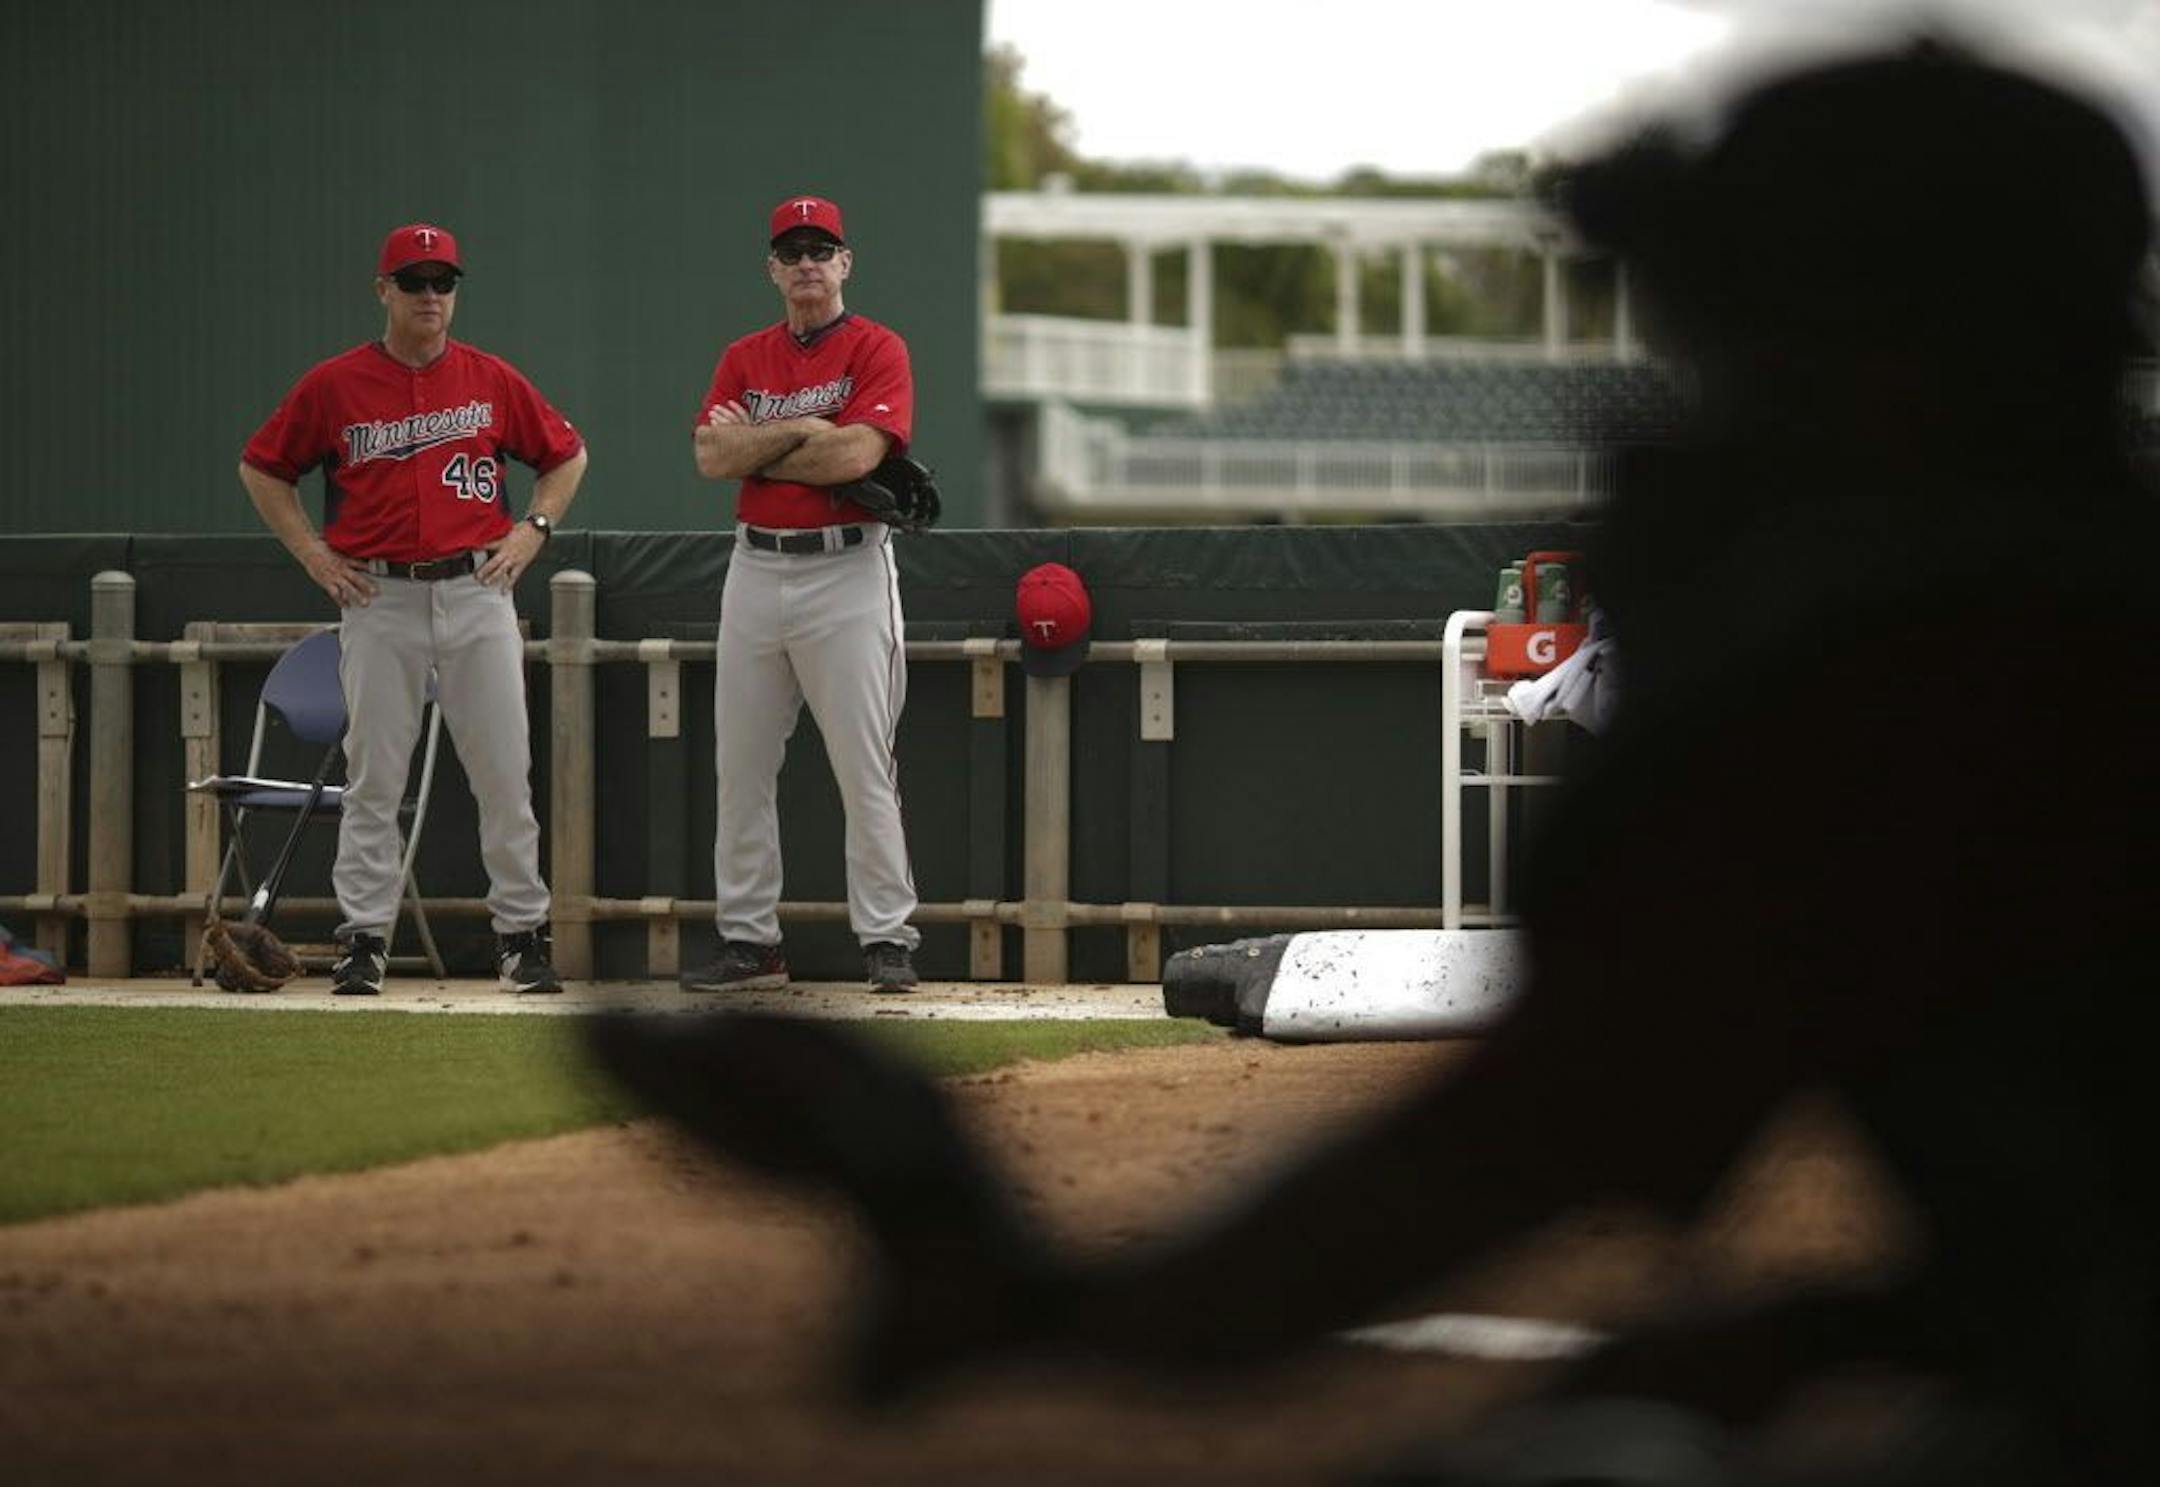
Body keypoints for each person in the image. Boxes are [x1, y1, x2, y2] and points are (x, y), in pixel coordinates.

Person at [595, 43, 2158, 1483]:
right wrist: (1824, 1334)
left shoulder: (1920, 671)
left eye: (1742, 342)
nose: (1689, 416)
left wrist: (1002, 1273)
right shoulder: (2028, 617)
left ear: (1913, 354)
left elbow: (1516, 1143)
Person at [240, 223, 588, 996]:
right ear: (383, 290)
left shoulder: (491, 377)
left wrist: (533, 529)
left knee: (504, 772)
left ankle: (521, 938)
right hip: (379, 592)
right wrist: (312, 553)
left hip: (476, 588)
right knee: (375, 774)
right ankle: (362, 939)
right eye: (415, 281)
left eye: (443, 282)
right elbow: (263, 467)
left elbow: (565, 454)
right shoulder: (335, 384)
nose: (431, 296)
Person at [679, 195, 923, 996]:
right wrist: (807, 436)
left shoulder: (878, 347)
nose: (809, 262)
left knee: (864, 762)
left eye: (823, 248)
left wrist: (762, 445)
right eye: (793, 251)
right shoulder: (745, 355)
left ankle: (888, 936)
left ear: (845, 262)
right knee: (741, 764)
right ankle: (751, 943)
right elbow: (712, 458)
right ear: (774, 269)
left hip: (847, 568)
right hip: (754, 567)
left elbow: (856, 454)